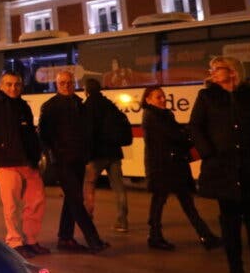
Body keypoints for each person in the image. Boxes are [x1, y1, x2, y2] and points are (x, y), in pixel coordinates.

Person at [189, 56, 250, 273]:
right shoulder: (207, 97)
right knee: (230, 223)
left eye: (218, 69)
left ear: (233, 71)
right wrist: (208, 153)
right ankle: (236, 271)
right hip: (222, 170)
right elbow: (196, 126)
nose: (212, 73)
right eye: (211, 69)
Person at [140, 85, 221, 251]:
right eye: (158, 97)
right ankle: (203, 236)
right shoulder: (153, 117)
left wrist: (188, 135)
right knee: (166, 202)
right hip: (164, 168)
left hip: (171, 166)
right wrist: (192, 134)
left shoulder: (162, 115)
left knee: (177, 203)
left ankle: (204, 235)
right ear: (148, 99)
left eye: (163, 96)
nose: (163, 100)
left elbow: (177, 135)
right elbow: (175, 136)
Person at [39, 70, 109, 253]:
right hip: (63, 161)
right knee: (77, 200)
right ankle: (93, 239)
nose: (66, 86)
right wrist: (54, 157)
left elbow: (87, 131)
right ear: (56, 85)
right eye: (62, 83)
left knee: (72, 199)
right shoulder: (50, 107)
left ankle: (65, 237)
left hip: (78, 159)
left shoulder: (80, 104)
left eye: (69, 82)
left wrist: (87, 153)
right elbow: (44, 137)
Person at [0, 71, 49, 257]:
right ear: (1, 85)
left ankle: (31, 240)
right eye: (9, 84)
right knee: (11, 206)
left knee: (36, 202)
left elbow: (31, 134)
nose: (13, 88)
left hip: (28, 162)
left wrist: (36, 154)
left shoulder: (23, 106)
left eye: (17, 84)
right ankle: (15, 241)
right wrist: (2, 146)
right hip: (7, 162)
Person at [82, 77, 131, 233]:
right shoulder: (110, 105)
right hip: (114, 153)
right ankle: (122, 221)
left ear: (86, 90)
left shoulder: (87, 107)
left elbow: (87, 133)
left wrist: (86, 155)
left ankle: (88, 219)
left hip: (95, 155)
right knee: (118, 187)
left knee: (89, 186)